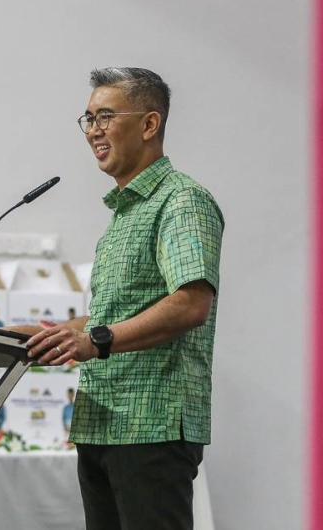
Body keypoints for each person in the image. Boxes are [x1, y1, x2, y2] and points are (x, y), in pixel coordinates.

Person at [26, 68, 224, 530]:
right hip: (101, 422)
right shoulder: (124, 214)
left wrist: (95, 340)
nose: (93, 130)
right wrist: (28, 337)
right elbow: (111, 316)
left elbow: (190, 302)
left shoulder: (182, 201)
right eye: (89, 119)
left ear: (150, 124)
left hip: (152, 424)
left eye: (106, 117)